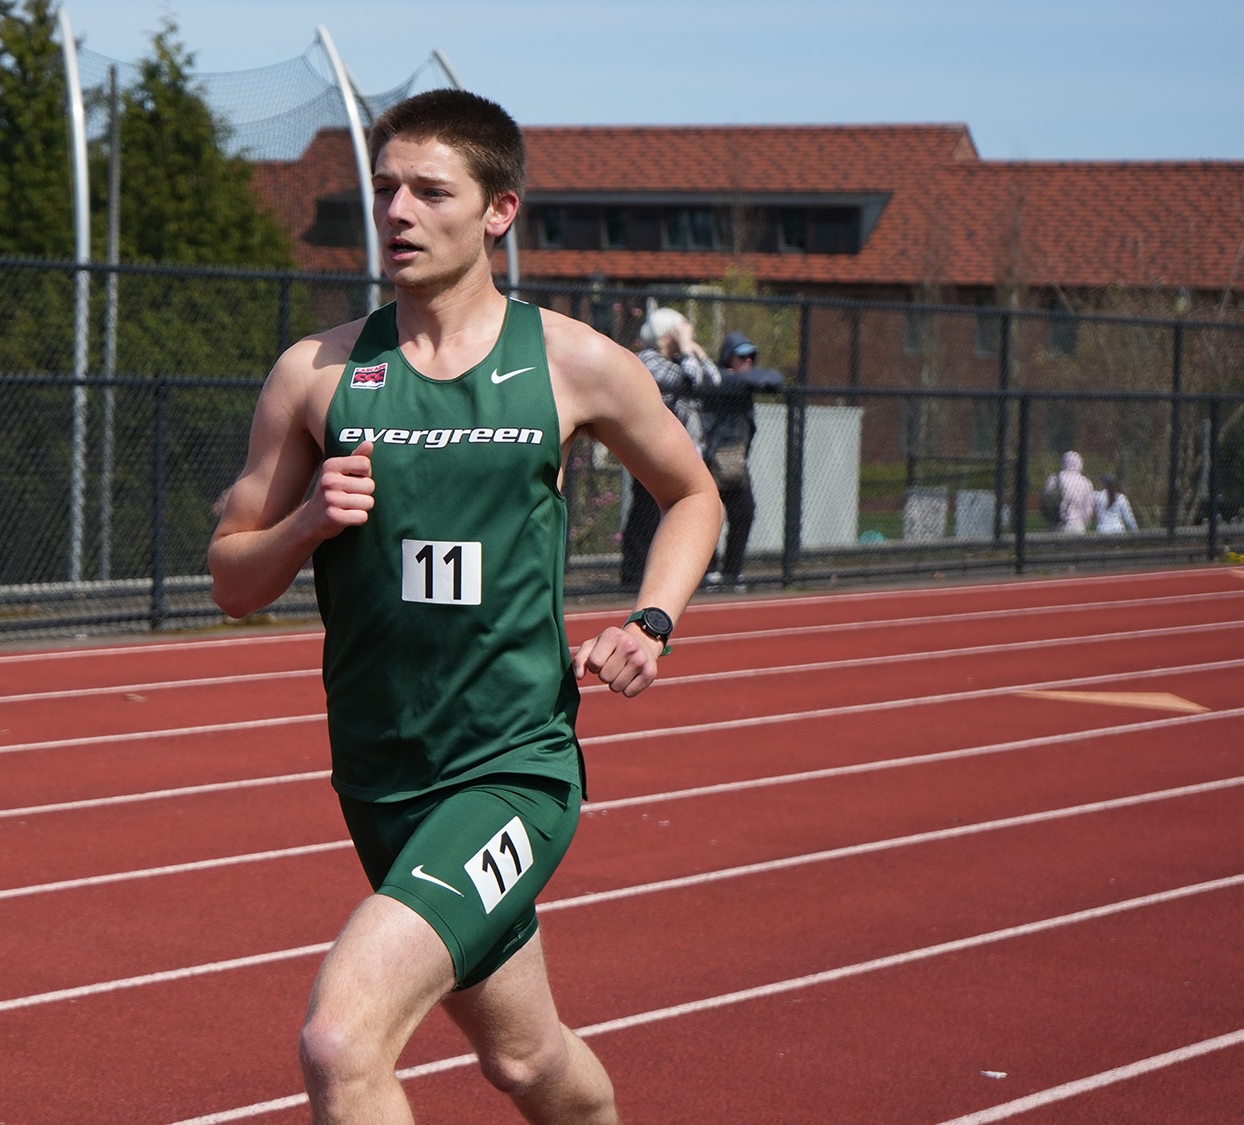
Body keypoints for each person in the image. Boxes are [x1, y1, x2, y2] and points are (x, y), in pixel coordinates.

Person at [208, 89, 721, 1123]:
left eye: (428, 191)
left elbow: (691, 493)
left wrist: (650, 620)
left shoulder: (571, 362)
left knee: (339, 1040)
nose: (395, 211)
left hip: (508, 772)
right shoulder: (314, 377)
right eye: (384, 187)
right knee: (528, 1063)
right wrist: (305, 521)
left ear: (497, 212)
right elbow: (232, 580)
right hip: (380, 775)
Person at [618, 305, 715, 587]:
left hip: (688, 451)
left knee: (691, 511)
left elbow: (713, 381)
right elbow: (690, 381)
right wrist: (686, 349)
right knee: (647, 512)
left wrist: (696, 351)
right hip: (652, 451)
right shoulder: (647, 360)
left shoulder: (679, 360)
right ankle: (633, 575)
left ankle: (694, 571)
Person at [696, 331, 786, 590]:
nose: (747, 361)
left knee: (743, 513)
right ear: (728, 357)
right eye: (741, 356)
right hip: (711, 458)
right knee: (710, 515)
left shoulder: (747, 380)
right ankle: (708, 570)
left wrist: (747, 377)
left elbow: (775, 379)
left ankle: (731, 573)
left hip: (734, 460)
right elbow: (728, 382)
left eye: (751, 357)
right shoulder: (717, 378)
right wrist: (743, 379)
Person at [1043, 450, 1096, 533]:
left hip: (1059, 523)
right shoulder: (1085, 482)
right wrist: (1085, 524)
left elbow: (1047, 499)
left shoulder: (1055, 478)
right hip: (1078, 524)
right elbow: (1088, 508)